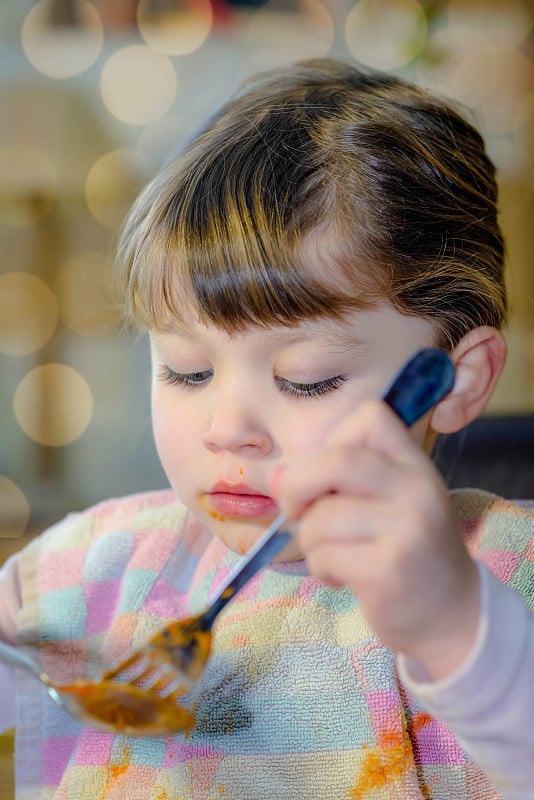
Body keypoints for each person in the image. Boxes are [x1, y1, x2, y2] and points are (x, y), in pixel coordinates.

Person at [0, 57, 533, 800]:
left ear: (453, 379)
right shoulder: (85, 578)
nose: (228, 428)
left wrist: (456, 627)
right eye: (187, 370)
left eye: (305, 378)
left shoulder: (509, 576)